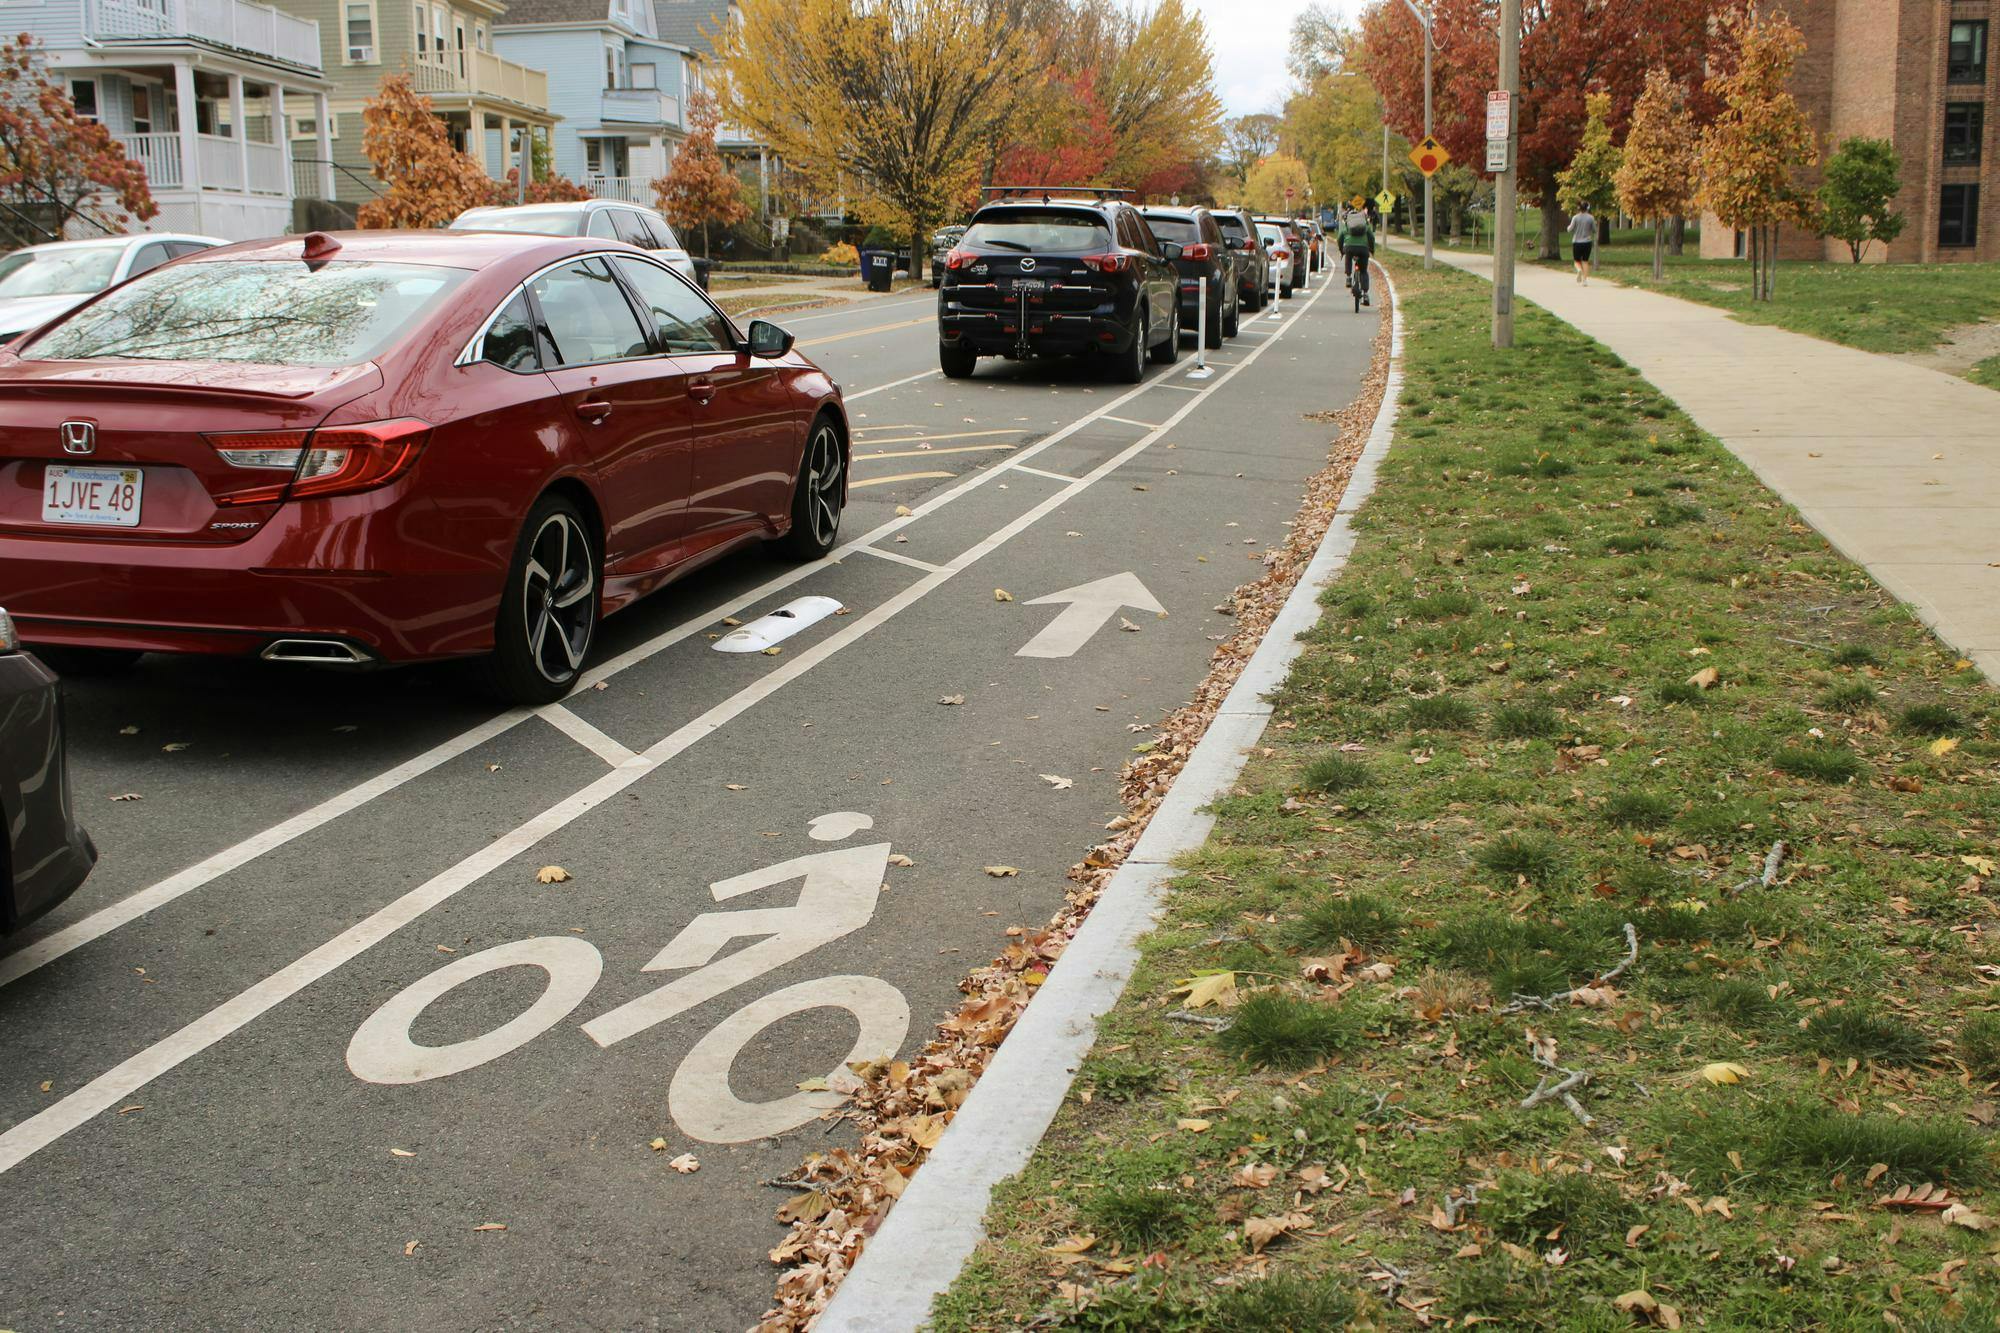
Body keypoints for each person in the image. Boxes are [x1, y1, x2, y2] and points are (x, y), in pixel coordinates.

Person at [1339, 208, 1376, 306]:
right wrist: (1372, 250)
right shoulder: (1365, 225)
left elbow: (1340, 238)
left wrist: (1341, 251)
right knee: (1363, 271)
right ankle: (1365, 294)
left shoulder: (1347, 225)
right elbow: (1371, 238)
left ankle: (1348, 277)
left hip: (1350, 248)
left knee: (1348, 257)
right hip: (1363, 249)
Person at [1568, 203, 1598, 284]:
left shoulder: (1575, 217)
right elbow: (1595, 230)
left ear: (1579, 208)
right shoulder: (1591, 218)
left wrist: (1569, 228)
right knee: (1585, 261)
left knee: (1577, 261)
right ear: (1587, 208)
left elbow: (1570, 229)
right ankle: (1584, 280)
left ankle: (1579, 270)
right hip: (1587, 242)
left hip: (1577, 242)